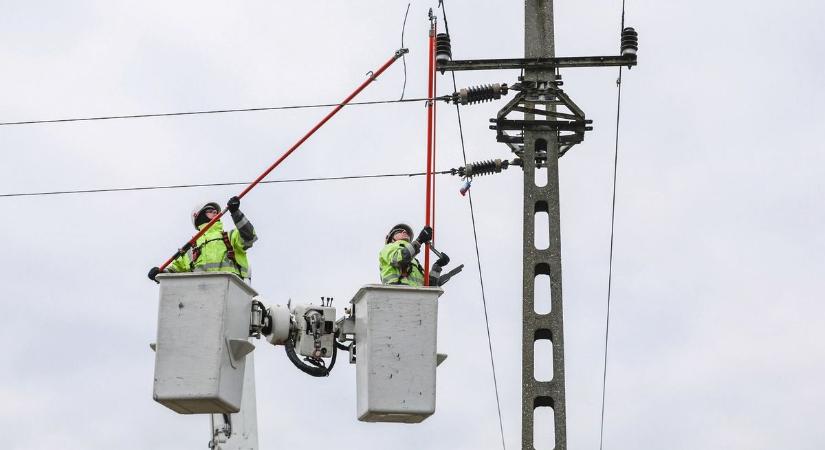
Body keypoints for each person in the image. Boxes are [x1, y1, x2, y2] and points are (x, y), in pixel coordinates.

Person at [148, 196, 257, 281]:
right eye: (210, 211)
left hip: (231, 289)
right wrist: (159, 274)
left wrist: (235, 212)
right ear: (199, 216)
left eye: (216, 211)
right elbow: (174, 272)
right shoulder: (191, 248)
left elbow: (249, 236)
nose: (215, 212)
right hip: (202, 296)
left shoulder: (229, 237)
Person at [378, 223, 451, 286]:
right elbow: (399, 259)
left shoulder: (414, 262)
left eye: (406, 232)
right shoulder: (388, 248)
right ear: (390, 238)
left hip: (416, 297)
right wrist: (419, 240)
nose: (404, 231)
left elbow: (429, 287)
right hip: (397, 293)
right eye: (399, 231)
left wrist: (437, 266)